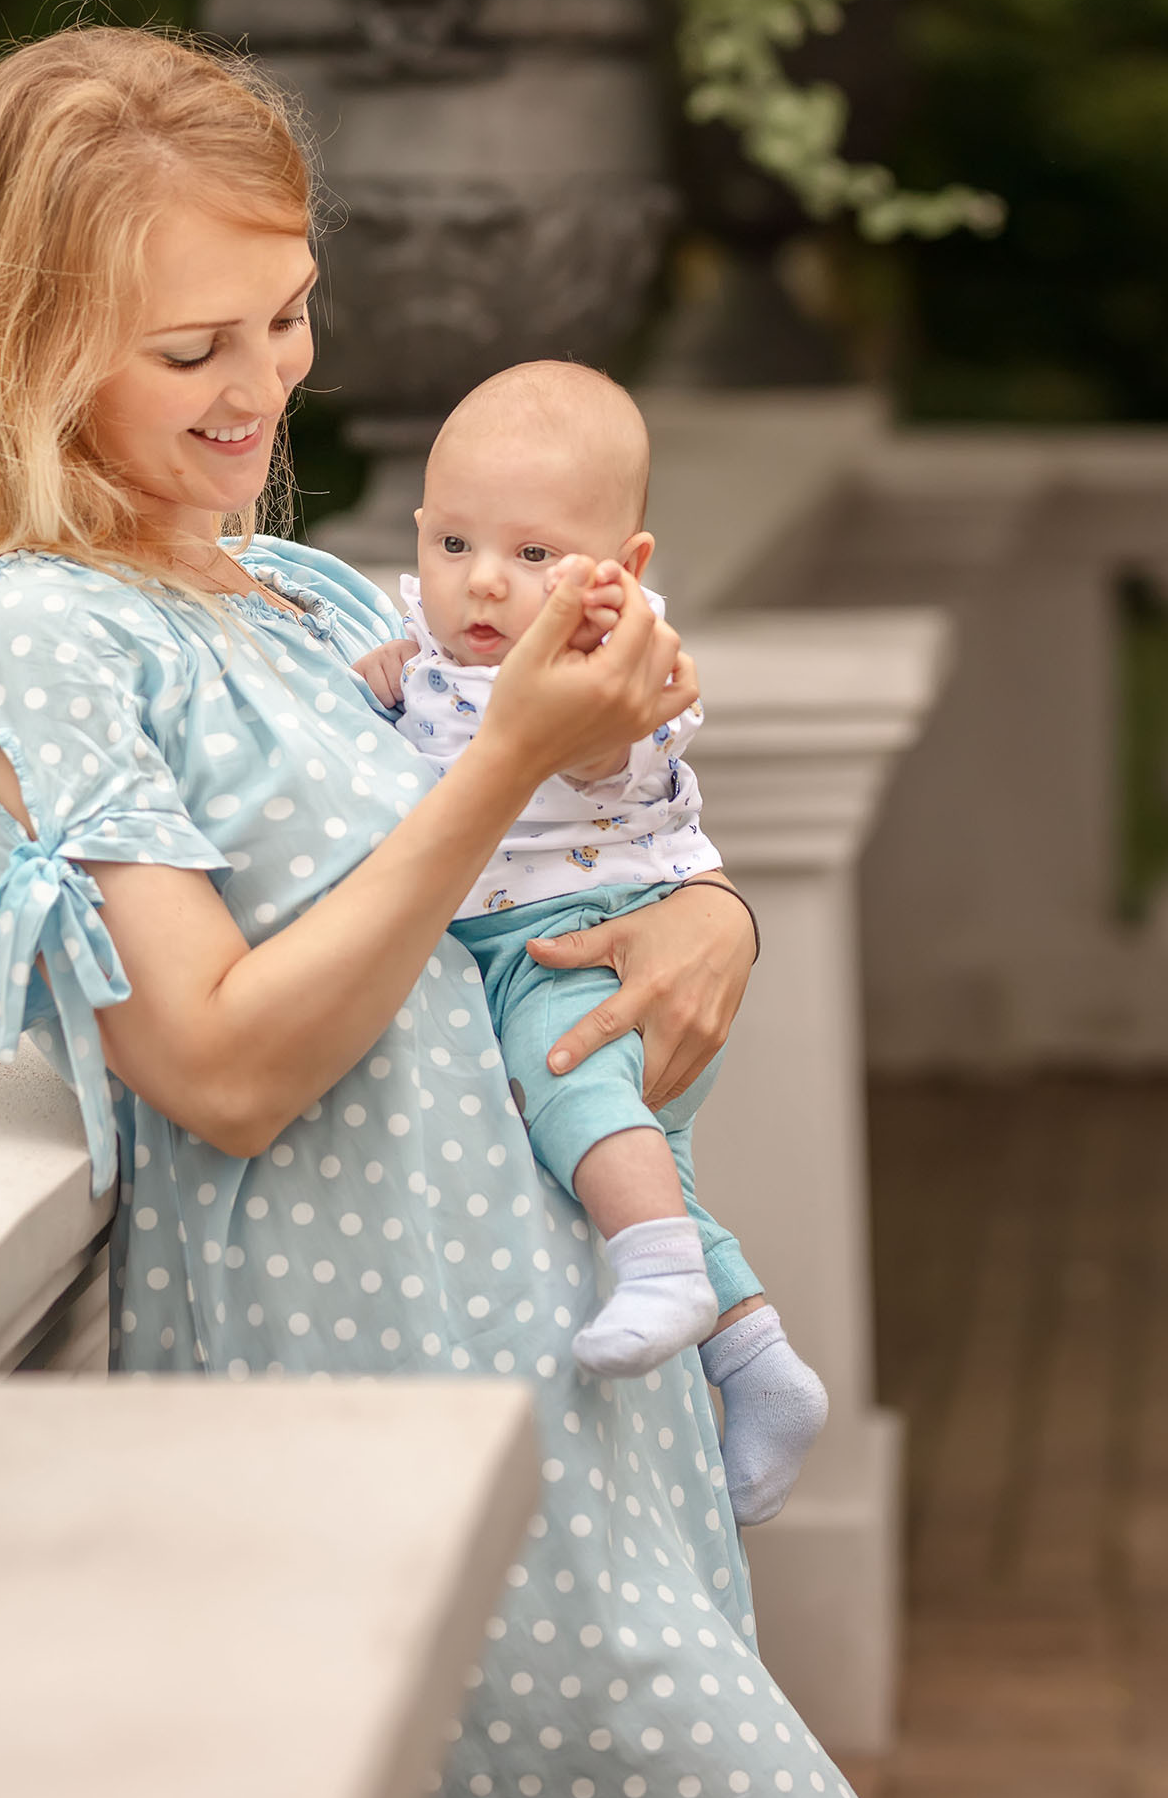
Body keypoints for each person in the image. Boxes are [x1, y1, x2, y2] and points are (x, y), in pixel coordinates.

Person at [0, 24, 899, 1798]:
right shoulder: (31, 641)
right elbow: (219, 1067)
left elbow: (553, 862)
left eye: (288, 315)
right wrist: (510, 759)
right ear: (28, 345)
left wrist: (706, 904)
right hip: (374, 1416)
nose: (263, 383)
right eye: (193, 347)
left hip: (574, 1376)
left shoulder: (299, 588)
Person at [351, 360, 829, 1520]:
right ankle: (755, 1359)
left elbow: (620, 758)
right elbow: (393, 745)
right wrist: (375, 684)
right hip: (514, 950)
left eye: (531, 557)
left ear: (623, 569)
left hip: (583, 938)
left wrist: (585, 727)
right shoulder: (423, 644)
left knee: (567, 1092)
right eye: (454, 543)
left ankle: (660, 1274)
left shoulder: (618, 661)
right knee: (607, 1152)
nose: (482, 584)